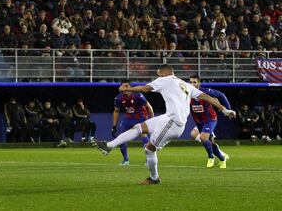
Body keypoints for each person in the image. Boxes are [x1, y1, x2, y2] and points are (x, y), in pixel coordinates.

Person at [95, 64, 236, 185]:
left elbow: (145, 88)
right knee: (138, 128)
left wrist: (127, 89)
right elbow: (206, 96)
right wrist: (224, 110)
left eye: (158, 75)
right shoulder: (184, 84)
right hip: (167, 118)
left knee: (149, 150)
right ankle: (109, 146)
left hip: (173, 122)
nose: (158, 77)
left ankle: (154, 178)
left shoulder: (165, 80)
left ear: (164, 73)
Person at [189, 75, 230, 168]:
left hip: (210, 119)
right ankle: (222, 158)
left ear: (199, 83)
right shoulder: (187, 93)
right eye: (190, 82)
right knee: (210, 142)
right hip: (198, 121)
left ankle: (211, 157)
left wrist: (228, 110)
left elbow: (221, 95)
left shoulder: (206, 92)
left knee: (203, 138)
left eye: (194, 82)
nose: (192, 84)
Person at [112, 79, 154, 165]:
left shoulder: (138, 95)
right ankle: (125, 160)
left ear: (131, 87)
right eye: (123, 86)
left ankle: (148, 160)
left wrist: (153, 122)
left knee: (143, 136)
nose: (125, 88)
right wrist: (114, 126)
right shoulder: (119, 97)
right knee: (120, 138)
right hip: (129, 118)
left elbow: (149, 107)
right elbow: (116, 111)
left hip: (141, 117)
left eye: (127, 86)